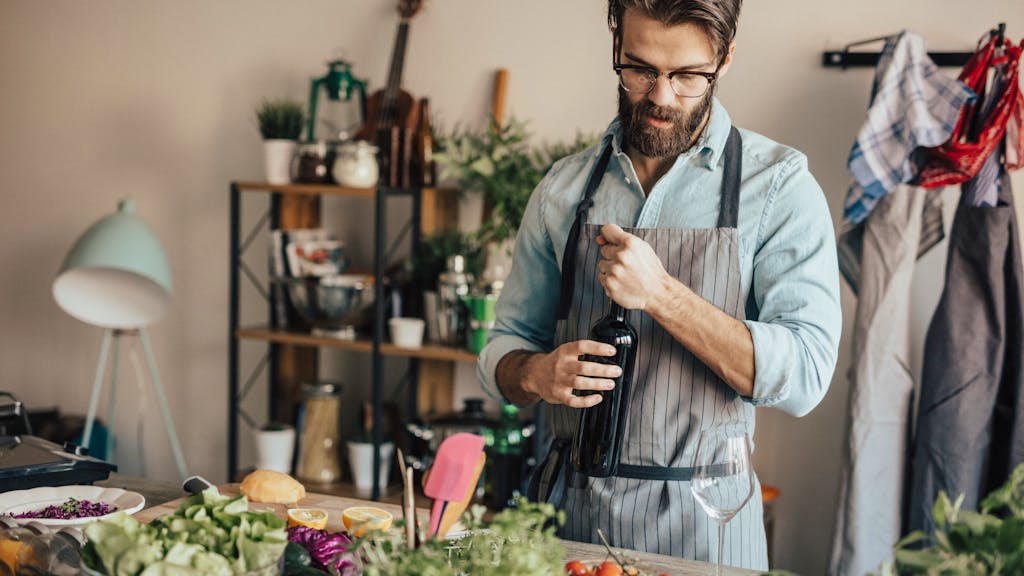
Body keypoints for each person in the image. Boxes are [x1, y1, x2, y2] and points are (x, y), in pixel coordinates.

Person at [477, 0, 841, 570]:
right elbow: (502, 348)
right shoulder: (564, 190)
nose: (661, 97)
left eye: (688, 76)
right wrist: (532, 372)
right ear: (617, 47)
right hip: (571, 518)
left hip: (710, 528)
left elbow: (807, 377)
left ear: (725, 59)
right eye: (640, 69)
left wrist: (663, 295)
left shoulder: (779, 187)